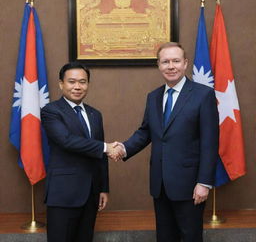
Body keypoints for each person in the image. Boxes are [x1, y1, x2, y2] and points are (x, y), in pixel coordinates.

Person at [110, 42, 219, 242]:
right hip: (160, 184)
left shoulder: (203, 95)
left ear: (185, 63)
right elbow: (145, 133)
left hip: (190, 185)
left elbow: (210, 142)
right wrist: (123, 148)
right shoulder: (154, 97)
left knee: (190, 236)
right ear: (158, 65)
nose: (171, 66)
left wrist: (204, 182)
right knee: (165, 236)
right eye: (165, 61)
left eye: (176, 61)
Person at [41, 62, 120, 242]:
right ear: (61, 84)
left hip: (91, 194)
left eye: (82, 82)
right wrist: (107, 147)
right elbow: (66, 140)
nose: (77, 86)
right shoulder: (51, 111)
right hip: (63, 194)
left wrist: (103, 188)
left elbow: (100, 156)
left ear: (88, 85)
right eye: (72, 81)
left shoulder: (95, 114)